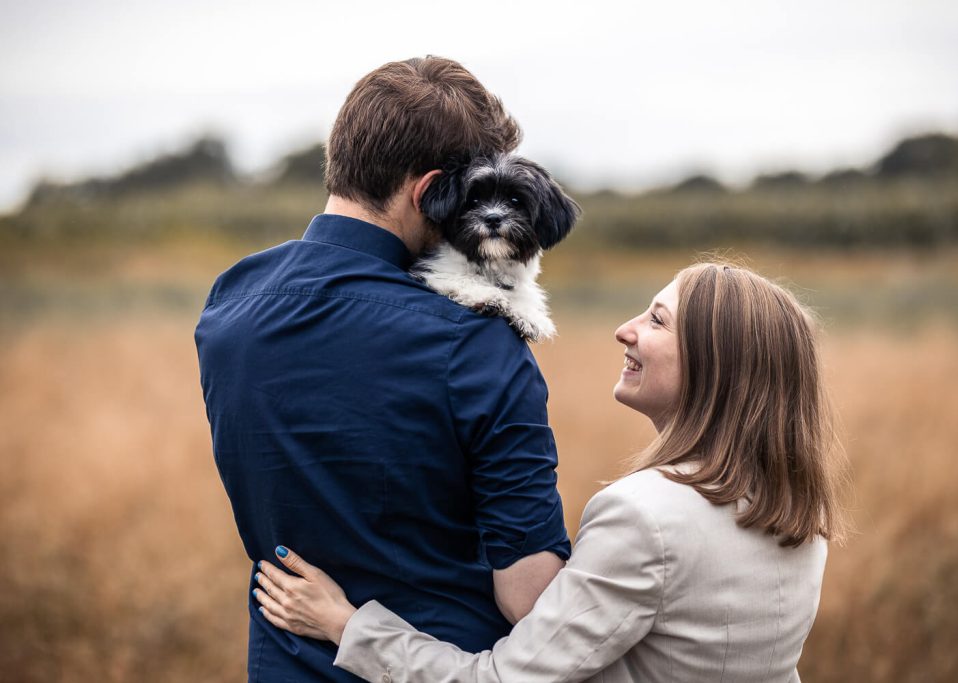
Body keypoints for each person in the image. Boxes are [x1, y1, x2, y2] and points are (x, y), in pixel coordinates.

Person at [249, 263, 850, 682]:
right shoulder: (795, 511)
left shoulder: (646, 516)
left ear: (718, 364)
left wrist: (347, 624)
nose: (627, 329)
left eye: (658, 321)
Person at [195, 57, 571, 682]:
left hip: (282, 664)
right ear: (429, 193)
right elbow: (527, 594)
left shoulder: (230, 301)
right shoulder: (478, 341)